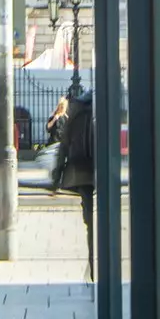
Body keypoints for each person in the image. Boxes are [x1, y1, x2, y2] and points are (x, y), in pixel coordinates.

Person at [47, 87, 95, 280]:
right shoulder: (101, 112)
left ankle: (92, 263)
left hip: (81, 172)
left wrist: (55, 181)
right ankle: (96, 263)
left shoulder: (74, 116)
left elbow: (63, 149)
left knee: (90, 221)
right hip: (100, 170)